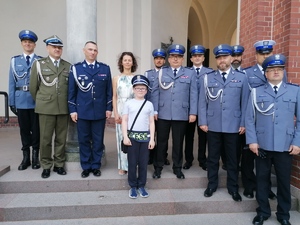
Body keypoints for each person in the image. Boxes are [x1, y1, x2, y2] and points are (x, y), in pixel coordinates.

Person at [246, 54, 300, 225]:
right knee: (262, 180)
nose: (276, 72)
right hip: (262, 145)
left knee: (284, 182)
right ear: (266, 73)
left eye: (279, 69)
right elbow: (249, 118)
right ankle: (262, 212)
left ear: (283, 71)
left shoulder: (295, 90)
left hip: (285, 145)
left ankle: (283, 215)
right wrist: (252, 141)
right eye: (272, 70)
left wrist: (297, 142)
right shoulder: (256, 92)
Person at [198, 44, 249, 201]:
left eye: (225, 57)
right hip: (212, 124)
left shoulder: (242, 77)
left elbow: (245, 103)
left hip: (233, 125)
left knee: (233, 158)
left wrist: (243, 123)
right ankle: (212, 184)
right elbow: (202, 102)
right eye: (219, 58)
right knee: (212, 157)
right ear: (216, 60)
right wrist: (203, 121)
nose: (222, 60)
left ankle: (233, 187)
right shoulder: (208, 77)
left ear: (230, 58)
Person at [151, 44, 198, 179]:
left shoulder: (190, 73)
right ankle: (158, 167)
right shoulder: (161, 72)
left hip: (181, 113)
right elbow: (155, 92)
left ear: (183, 59)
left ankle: (177, 167)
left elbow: (193, 94)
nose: (175, 59)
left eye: (178, 57)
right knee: (161, 142)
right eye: (173, 57)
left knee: (178, 142)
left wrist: (193, 112)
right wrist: (155, 110)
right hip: (163, 112)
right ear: (169, 59)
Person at [68, 41, 112, 178]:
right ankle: (86, 166)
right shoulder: (76, 69)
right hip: (83, 111)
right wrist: (72, 110)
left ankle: (96, 165)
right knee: (84, 140)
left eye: (95, 50)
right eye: (90, 49)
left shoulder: (104, 69)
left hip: (99, 111)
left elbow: (108, 91)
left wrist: (108, 107)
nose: (93, 52)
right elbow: (71, 92)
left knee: (98, 141)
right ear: (84, 51)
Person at [29, 35, 72, 179]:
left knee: (61, 139)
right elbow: (33, 88)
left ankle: (59, 164)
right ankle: (46, 165)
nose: (57, 49)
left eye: (59, 47)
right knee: (45, 139)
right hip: (46, 108)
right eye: (54, 47)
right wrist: (43, 101)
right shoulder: (39, 64)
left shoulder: (68, 66)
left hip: (63, 108)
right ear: (47, 48)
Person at [243, 40, 280, 200]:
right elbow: (243, 99)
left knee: (267, 159)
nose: (265, 56)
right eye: (262, 53)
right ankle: (249, 185)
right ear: (256, 55)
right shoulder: (246, 73)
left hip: (268, 123)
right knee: (248, 157)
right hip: (251, 121)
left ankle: (266, 188)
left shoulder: (277, 72)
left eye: (268, 53)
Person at [8, 30, 41, 170]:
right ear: (22, 43)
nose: (28, 44)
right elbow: (11, 82)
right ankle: (26, 158)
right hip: (21, 100)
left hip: (36, 101)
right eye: (25, 42)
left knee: (36, 130)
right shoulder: (15, 61)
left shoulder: (40, 60)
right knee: (24, 131)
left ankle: (35, 158)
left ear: (34, 44)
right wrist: (11, 102)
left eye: (30, 42)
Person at [122, 75, 155, 199]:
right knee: (132, 163)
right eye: (138, 88)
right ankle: (132, 186)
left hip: (145, 138)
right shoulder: (128, 103)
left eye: (143, 88)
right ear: (133, 89)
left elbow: (151, 122)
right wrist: (125, 136)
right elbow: (124, 120)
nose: (140, 90)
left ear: (146, 90)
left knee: (143, 163)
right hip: (132, 137)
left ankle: (141, 185)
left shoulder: (149, 104)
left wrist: (152, 138)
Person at [183, 44, 213, 171]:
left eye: (199, 56)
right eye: (194, 56)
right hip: (189, 109)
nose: (197, 58)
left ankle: (202, 159)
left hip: (204, 110)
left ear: (203, 58)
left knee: (203, 136)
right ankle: (188, 160)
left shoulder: (210, 72)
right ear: (191, 59)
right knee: (188, 136)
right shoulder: (185, 72)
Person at [112, 52, 138, 175]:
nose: (127, 62)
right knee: (121, 138)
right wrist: (115, 113)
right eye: (125, 60)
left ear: (133, 63)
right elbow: (114, 96)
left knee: (132, 138)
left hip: (133, 111)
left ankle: (132, 164)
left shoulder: (136, 78)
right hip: (121, 111)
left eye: (129, 60)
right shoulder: (116, 78)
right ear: (121, 62)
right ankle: (122, 165)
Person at [144, 48, 169, 165]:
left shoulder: (168, 73)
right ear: (154, 60)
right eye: (157, 58)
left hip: (164, 109)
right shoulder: (148, 74)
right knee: (150, 134)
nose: (159, 61)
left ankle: (163, 156)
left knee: (163, 135)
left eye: (161, 59)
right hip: (150, 109)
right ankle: (150, 156)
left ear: (164, 61)